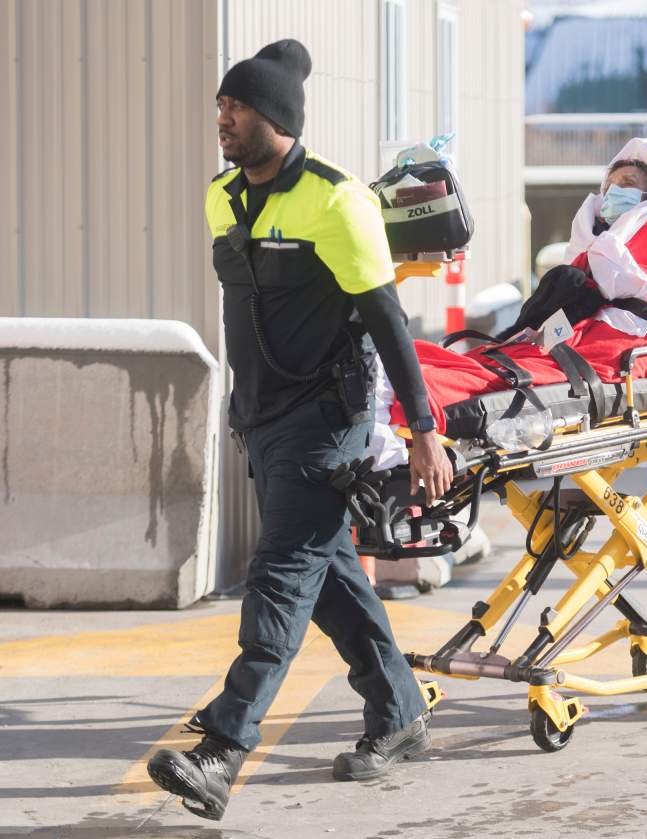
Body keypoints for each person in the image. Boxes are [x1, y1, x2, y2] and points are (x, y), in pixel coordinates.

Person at [145, 40, 453, 820]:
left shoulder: (337, 200)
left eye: (237, 106)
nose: (223, 118)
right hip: (263, 418)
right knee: (331, 583)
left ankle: (220, 750)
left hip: (328, 421)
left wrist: (421, 427)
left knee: (280, 580)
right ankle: (401, 710)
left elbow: (387, 320)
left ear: (277, 118)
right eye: (221, 105)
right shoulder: (222, 198)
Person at [380, 148, 647, 435]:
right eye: (609, 187)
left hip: (633, 346)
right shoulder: (613, 245)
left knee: (481, 378)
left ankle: (403, 392)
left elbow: (645, 280)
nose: (614, 194)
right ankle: (396, 380)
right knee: (461, 362)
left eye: (627, 184)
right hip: (589, 338)